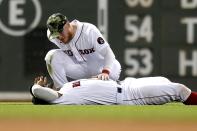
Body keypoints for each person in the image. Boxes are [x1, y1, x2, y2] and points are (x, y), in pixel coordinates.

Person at [45, 13, 121, 89]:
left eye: (60, 32)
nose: (59, 37)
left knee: (98, 92)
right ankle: (62, 92)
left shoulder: (88, 31)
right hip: (81, 69)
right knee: (51, 56)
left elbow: (109, 53)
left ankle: (113, 86)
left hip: (106, 70)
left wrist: (106, 72)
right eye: (56, 35)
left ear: (67, 24)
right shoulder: (52, 37)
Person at [30, 76, 197, 105]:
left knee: (164, 81)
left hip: (126, 84)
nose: (46, 87)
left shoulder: (65, 89)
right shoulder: (59, 100)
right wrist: (35, 88)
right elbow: (37, 92)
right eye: (45, 91)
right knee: (179, 90)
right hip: (130, 96)